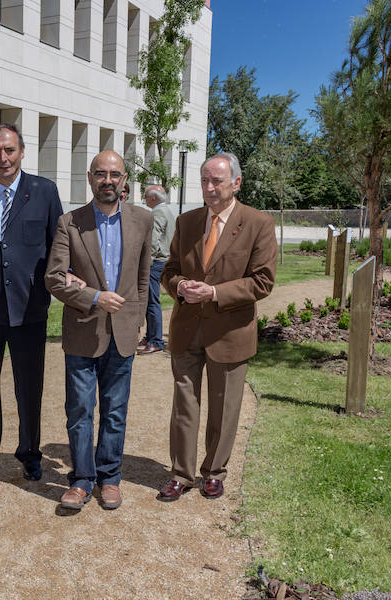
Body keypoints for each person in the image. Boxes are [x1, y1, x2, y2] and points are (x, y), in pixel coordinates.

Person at [157, 152, 277, 502]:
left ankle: (214, 472)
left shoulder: (258, 223)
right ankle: (181, 474)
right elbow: (170, 269)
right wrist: (178, 286)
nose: (209, 188)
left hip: (230, 333)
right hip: (187, 328)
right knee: (184, 405)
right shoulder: (187, 221)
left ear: (236, 183)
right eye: (204, 180)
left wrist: (214, 292)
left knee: (224, 408)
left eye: (217, 181)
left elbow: (262, 282)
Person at [45, 150, 152, 511]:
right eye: (101, 174)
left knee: (115, 410)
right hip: (82, 331)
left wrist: (136, 320)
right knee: (79, 410)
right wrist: (92, 296)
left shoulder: (142, 220)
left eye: (115, 174)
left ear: (125, 180)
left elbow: (141, 280)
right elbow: (54, 278)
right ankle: (80, 480)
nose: (108, 180)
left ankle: (109, 478)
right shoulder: (69, 222)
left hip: (122, 333)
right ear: (90, 178)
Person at [0, 123, 63, 497]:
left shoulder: (45, 193)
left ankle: (30, 451)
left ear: (22, 152)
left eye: (9, 150)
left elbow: (57, 247)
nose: (3, 158)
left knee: (28, 387)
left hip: (29, 308)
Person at [138, 184, 176, 355]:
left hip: (155, 262)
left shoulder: (157, 213)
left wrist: (146, 261)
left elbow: (153, 240)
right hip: (163, 260)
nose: (144, 199)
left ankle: (156, 340)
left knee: (151, 302)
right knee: (151, 301)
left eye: (145, 196)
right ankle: (151, 336)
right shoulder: (167, 210)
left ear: (153, 198)